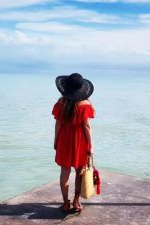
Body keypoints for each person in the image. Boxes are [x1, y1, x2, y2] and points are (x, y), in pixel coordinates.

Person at [52, 73, 95, 212]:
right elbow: (86, 126)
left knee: (64, 172)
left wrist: (56, 140)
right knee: (79, 172)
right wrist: (91, 145)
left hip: (64, 138)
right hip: (80, 140)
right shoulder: (85, 104)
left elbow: (58, 124)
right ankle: (76, 202)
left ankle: (65, 203)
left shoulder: (60, 103)